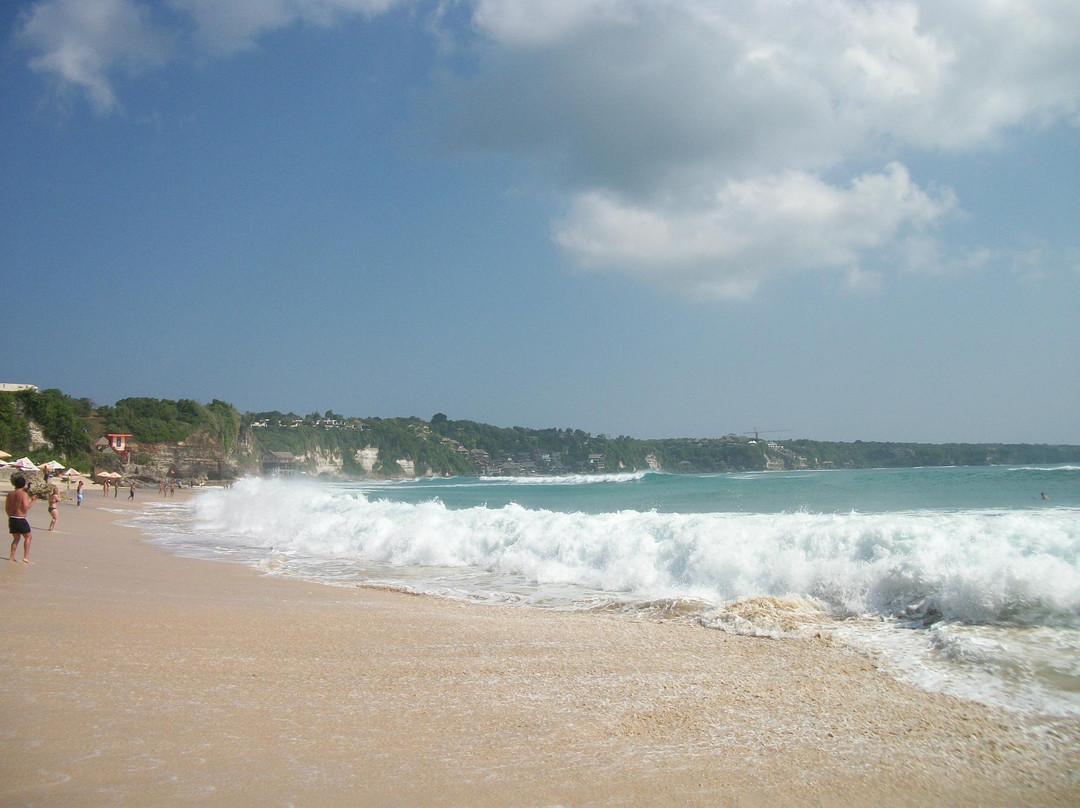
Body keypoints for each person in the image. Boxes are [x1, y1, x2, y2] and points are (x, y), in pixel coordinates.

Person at [6, 474, 37, 564]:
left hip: (12, 518)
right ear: (23, 485)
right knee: (28, 537)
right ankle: (25, 557)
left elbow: (7, 508)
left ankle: (11, 557)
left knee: (16, 539)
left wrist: (10, 516)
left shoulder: (10, 494)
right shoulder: (23, 494)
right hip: (20, 519)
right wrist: (33, 501)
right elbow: (25, 507)